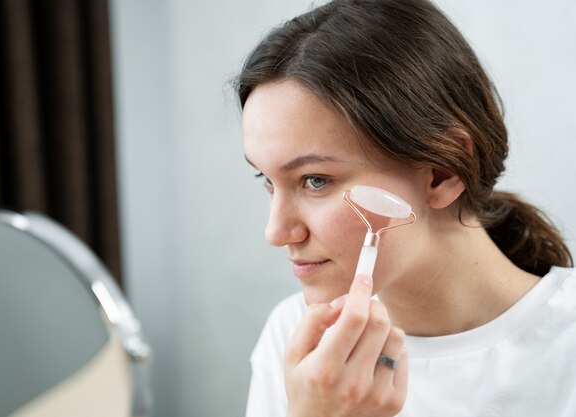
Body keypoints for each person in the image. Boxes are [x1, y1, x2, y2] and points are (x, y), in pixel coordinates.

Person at [234, 0, 575, 416]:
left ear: (442, 172)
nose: (276, 232)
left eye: (315, 180)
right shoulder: (300, 340)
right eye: (268, 181)